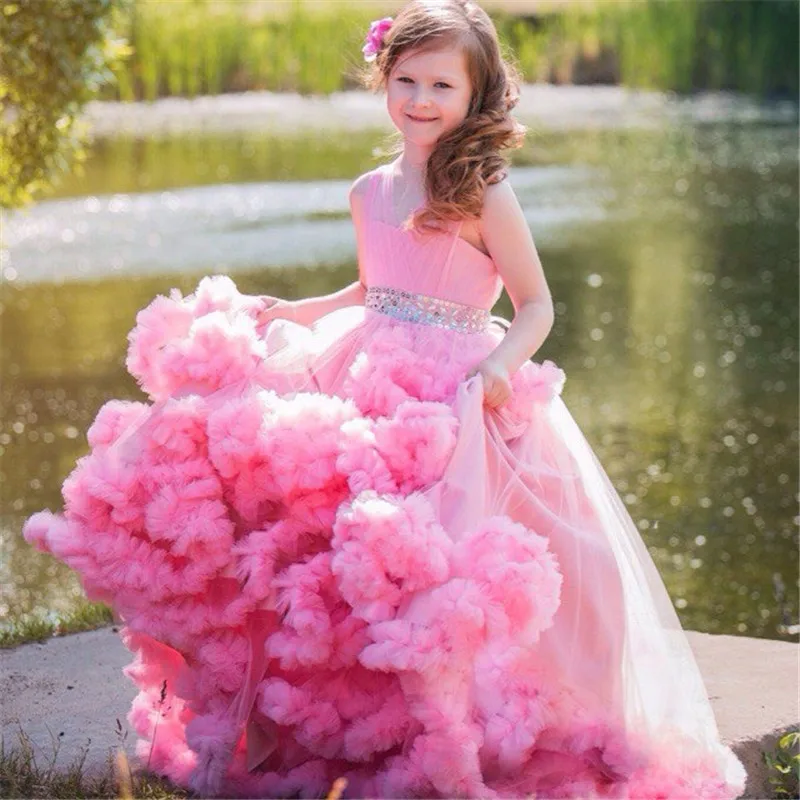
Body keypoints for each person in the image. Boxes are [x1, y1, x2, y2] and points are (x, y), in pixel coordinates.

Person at [24, 1, 747, 798]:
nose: (422, 99)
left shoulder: (483, 194)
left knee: (452, 557)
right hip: (368, 372)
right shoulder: (369, 189)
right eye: (407, 80)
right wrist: (300, 313)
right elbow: (373, 285)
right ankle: (356, 724)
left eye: (443, 84)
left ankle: (484, 721)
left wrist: (503, 364)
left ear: (477, 96)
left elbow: (537, 304)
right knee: (338, 545)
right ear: (383, 80)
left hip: (456, 389)